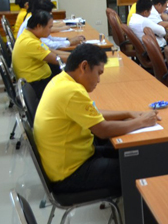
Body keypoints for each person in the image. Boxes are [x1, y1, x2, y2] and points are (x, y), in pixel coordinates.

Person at [34, 44, 158, 193]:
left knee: (131, 154)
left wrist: (128, 113)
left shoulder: (61, 80)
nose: (99, 80)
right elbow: (102, 130)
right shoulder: (72, 91)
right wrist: (141, 122)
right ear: (84, 67)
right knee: (139, 167)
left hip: (75, 158)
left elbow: (94, 113)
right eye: (98, 73)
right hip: (71, 173)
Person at [12, 11, 71, 98]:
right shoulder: (30, 42)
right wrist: (77, 58)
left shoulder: (28, 35)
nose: (50, 31)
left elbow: (50, 51)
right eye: (49, 27)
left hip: (37, 81)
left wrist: (73, 54)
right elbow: (56, 59)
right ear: (39, 26)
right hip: (36, 85)